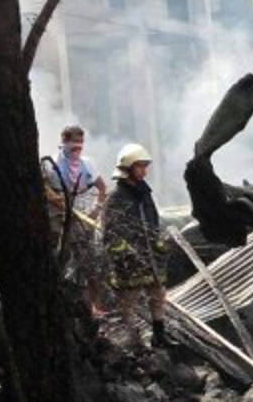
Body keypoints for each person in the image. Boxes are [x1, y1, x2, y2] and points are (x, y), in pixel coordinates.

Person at [102, 142, 170, 347]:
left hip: (150, 256)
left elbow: (153, 221)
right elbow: (110, 231)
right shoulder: (115, 198)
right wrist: (124, 253)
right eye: (140, 166)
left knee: (157, 295)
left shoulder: (145, 194)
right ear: (128, 168)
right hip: (128, 260)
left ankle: (159, 336)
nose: (144, 171)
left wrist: (158, 243)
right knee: (128, 302)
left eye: (145, 166)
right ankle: (132, 342)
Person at [43, 125, 107, 311]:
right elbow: (44, 189)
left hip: (81, 216)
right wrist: (58, 201)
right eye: (74, 143)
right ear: (64, 142)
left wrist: (96, 210)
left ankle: (95, 305)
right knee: (58, 256)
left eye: (81, 143)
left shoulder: (87, 164)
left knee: (88, 260)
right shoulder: (49, 164)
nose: (78, 147)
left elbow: (102, 188)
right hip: (57, 216)